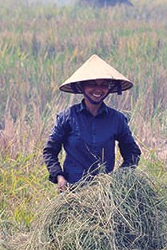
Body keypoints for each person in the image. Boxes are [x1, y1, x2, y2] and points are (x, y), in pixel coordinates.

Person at [43, 54, 141, 192]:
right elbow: (50, 151)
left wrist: (119, 177)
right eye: (92, 84)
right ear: (81, 86)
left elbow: (132, 152)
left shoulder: (117, 119)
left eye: (104, 85)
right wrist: (59, 177)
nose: (98, 89)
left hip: (105, 194)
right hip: (72, 192)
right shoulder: (67, 118)